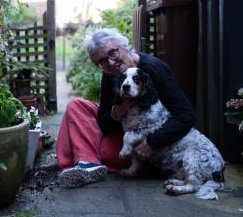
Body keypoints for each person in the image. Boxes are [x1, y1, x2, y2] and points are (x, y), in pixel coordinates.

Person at [56, 28, 196, 188]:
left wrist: (153, 142)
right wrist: (118, 111)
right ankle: (88, 164)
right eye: (101, 61)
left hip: (152, 139)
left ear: (123, 46)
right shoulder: (109, 73)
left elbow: (186, 115)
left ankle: (85, 156)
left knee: (105, 151)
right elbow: (103, 120)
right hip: (125, 130)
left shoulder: (154, 68)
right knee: (76, 105)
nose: (109, 63)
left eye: (112, 53)